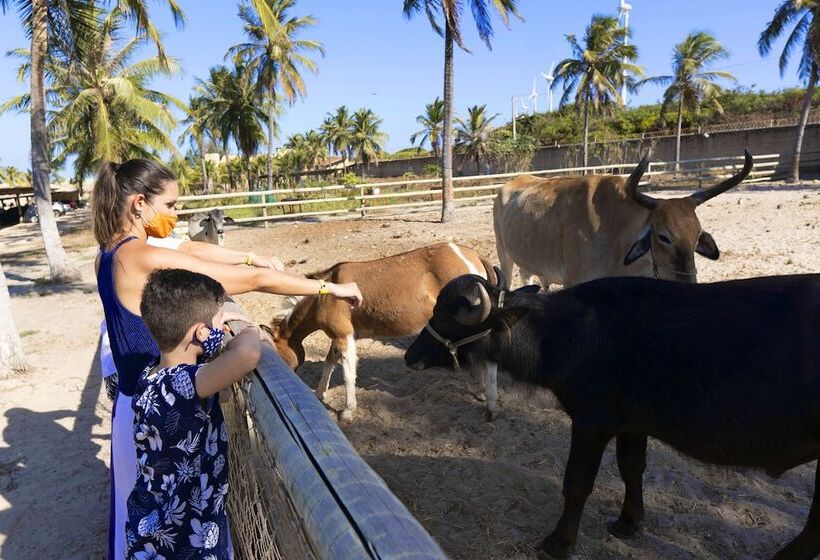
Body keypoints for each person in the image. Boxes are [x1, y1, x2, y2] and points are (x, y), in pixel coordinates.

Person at [93, 158, 363, 560]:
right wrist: (330, 289)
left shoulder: (108, 253)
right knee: (173, 523)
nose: (176, 214)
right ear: (139, 204)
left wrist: (249, 256)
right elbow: (251, 282)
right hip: (163, 422)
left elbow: (189, 249)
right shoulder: (139, 257)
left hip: (135, 407)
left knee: (141, 521)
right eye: (170, 206)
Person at [126, 268, 257, 560]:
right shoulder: (182, 384)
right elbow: (248, 354)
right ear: (200, 332)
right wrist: (248, 330)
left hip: (156, 529)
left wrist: (209, 343)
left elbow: (222, 392)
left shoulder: (151, 374)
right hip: (184, 540)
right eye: (217, 323)